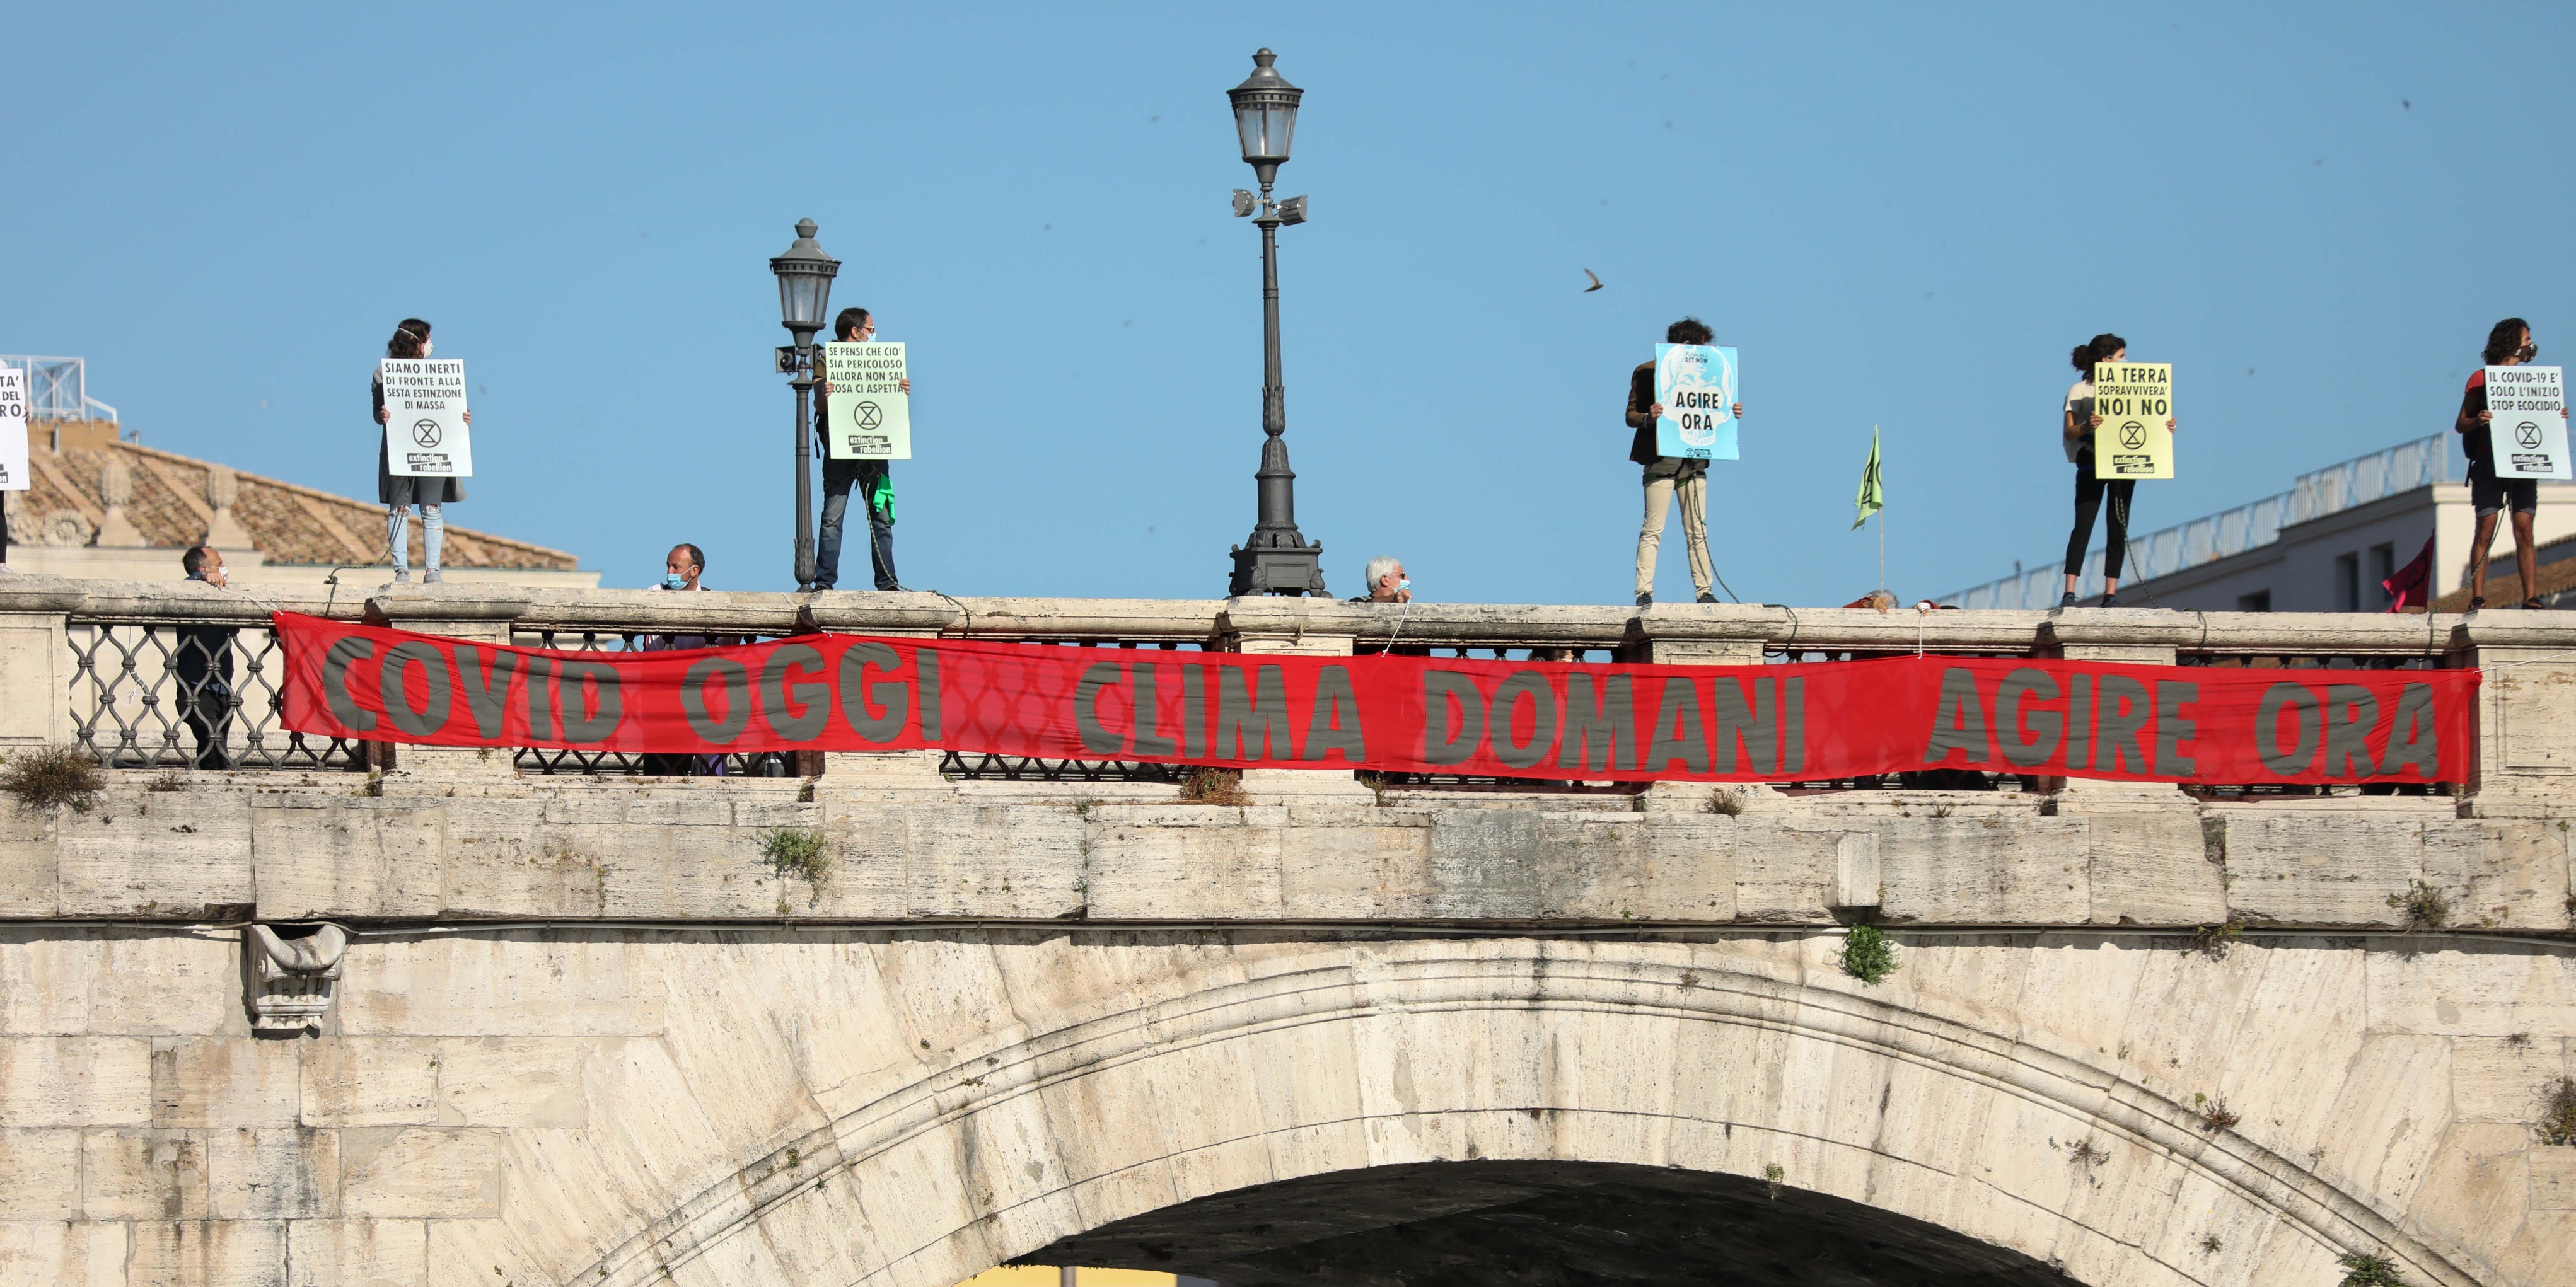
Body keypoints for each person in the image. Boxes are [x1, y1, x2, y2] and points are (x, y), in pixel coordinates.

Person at [1627, 317, 1744, 606]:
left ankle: (1704, 591)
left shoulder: (1709, 373)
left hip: (1694, 464)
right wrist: (1648, 417)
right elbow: (1630, 416)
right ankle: (1644, 591)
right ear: (1689, 345)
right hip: (1661, 462)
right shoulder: (1648, 372)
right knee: (1653, 527)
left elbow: (1714, 407)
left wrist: (1730, 412)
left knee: (1698, 529)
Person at [2058, 333, 2176, 608]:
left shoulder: (2136, 388)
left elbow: (2147, 422)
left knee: (2118, 526)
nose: (2126, 362)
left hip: (2124, 462)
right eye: (2122, 357)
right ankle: (2069, 592)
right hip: (2092, 459)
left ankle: (2110, 593)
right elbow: (2070, 430)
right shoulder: (2081, 390)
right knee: (2083, 526)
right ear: (2106, 359)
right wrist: (2088, 425)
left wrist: (2165, 426)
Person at [2457, 318, 2567, 609]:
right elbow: (2461, 423)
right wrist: (2478, 420)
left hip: (2525, 464)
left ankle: (2530, 597)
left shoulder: (2533, 382)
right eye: (2526, 338)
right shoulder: (2481, 379)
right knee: (2486, 528)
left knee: (2525, 529)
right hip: (2489, 464)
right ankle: (2477, 597)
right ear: (2511, 342)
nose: (2530, 344)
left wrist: (2555, 416)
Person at [814, 307, 910, 591]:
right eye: (870, 330)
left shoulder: (882, 361)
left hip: (874, 453)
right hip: (840, 449)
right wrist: (826, 393)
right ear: (855, 332)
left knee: (881, 518)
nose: (873, 335)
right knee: (832, 518)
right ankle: (824, 581)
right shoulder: (827, 360)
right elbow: (819, 404)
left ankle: (887, 582)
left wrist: (900, 389)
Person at [371, 319, 468, 584]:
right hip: (400, 450)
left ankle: (432, 571)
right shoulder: (383, 374)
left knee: (432, 507)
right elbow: (376, 414)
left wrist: (463, 419)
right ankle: (401, 570)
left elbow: (451, 412)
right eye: (426, 340)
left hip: (435, 452)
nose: (430, 346)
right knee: (399, 509)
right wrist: (383, 416)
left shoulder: (442, 376)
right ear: (415, 342)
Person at [639, 543, 729, 777]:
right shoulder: (655, 593)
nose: (669, 572)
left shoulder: (712, 601)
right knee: (661, 769)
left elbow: (725, 648)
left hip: (698, 699)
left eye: (676, 567)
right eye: (668, 566)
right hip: (661, 697)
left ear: (694, 571)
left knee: (706, 767)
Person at [175, 547, 236, 770]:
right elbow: (188, 583)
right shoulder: (189, 591)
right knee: (214, 748)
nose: (223, 568)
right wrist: (201, 578)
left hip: (222, 690)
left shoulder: (220, 592)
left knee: (213, 752)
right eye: (219, 564)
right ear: (204, 568)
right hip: (196, 689)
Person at [1348, 555, 1412, 603]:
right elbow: (1368, 604)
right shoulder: (1357, 603)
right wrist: (1394, 598)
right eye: (1402, 575)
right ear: (1385, 580)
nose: (1407, 579)